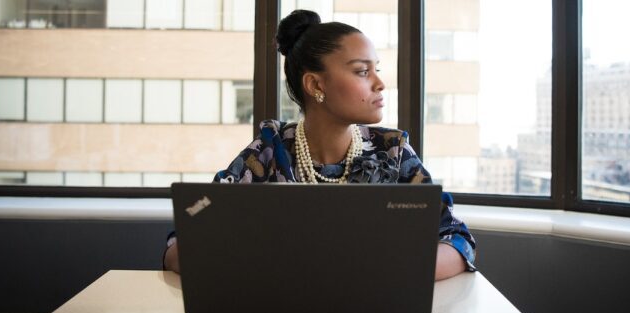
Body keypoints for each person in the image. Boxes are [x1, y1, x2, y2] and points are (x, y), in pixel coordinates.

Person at [164, 9, 476, 280]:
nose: (380, 83)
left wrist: (386, 271)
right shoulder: (269, 151)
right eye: (362, 71)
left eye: (375, 69)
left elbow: (458, 239)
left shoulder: (393, 151)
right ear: (315, 85)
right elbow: (180, 245)